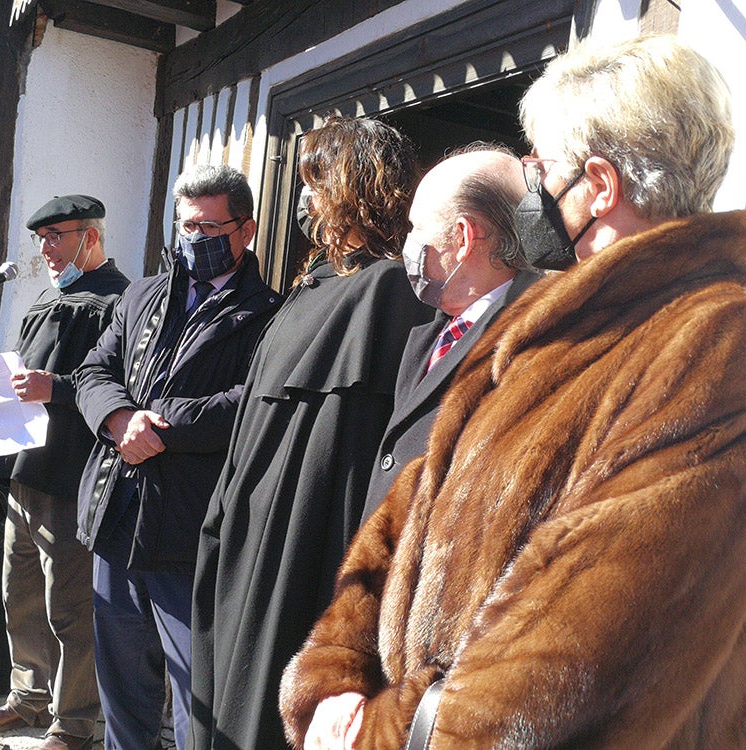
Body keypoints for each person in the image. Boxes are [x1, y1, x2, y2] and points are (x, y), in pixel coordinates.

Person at [280, 35, 746, 749]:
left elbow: (589, 639)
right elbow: (414, 506)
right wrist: (334, 672)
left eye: (542, 168)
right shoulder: (546, 320)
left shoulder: (726, 343)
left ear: (601, 184)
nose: (531, 190)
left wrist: (381, 732)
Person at [189, 115, 435, 750]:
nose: (304, 202)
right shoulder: (313, 285)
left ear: (356, 186)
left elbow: (361, 455)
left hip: (307, 542)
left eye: (316, 182)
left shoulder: (391, 291)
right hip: (250, 536)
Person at [73, 164, 282, 749]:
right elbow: (93, 371)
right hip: (116, 515)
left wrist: (161, 424)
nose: (195, 238)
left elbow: (250, 402)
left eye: (210, 228)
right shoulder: (140, 295)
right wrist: (120, 420)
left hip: (189, 529)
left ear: (246, 230)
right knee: (122, 690)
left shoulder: (269, 314)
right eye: (186, 225)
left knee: (198, 694)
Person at [0, 195, 129, 750]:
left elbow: (119, 387)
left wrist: (54, 388)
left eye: (56, 236)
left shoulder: (121, 301)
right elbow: (21, 375)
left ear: (91, 236)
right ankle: (28, 699)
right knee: (20, 593)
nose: (45, 249)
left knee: (71, 605)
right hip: (24, 468)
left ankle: (75, 722)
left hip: (70, 474)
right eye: (41, 239)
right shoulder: (48, 298)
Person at [364, 144, 539, 517]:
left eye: (418, 227)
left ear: (462, 237)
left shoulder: (530, 343)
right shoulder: (433, 330)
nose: (409, 244)